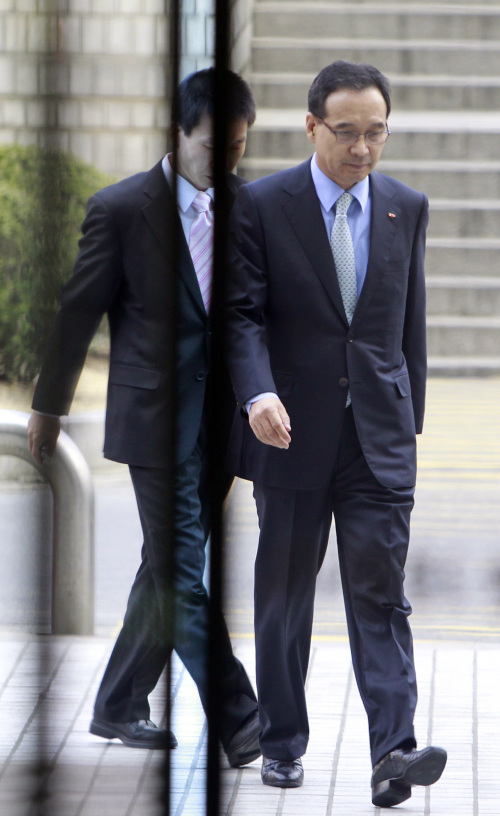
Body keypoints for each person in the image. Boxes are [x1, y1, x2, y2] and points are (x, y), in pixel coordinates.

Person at [225, 60, 447, 806]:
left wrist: (407, 426)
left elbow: (406, 329)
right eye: (346, 132)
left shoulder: (406, 207)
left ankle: (395, 751)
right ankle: (282, 741)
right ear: (312, 124)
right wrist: (256, 392)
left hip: (378, 443)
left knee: (381, 599)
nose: (362, 148)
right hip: (287, 432)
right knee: (284, 599)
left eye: (376, 133)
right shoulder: (260, 205)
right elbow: (242, 315)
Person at [27, 68, 261, 768]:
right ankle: (244, 719)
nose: (225, 162)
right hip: (154, 418)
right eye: (213, 146)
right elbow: (77, 315)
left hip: (221, 424)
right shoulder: (121, 209)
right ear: (176, 133)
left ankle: (119, 702)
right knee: (183, 569)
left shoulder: (250, 208)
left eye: (239, 147)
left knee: (164, 568)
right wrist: (49, 407)